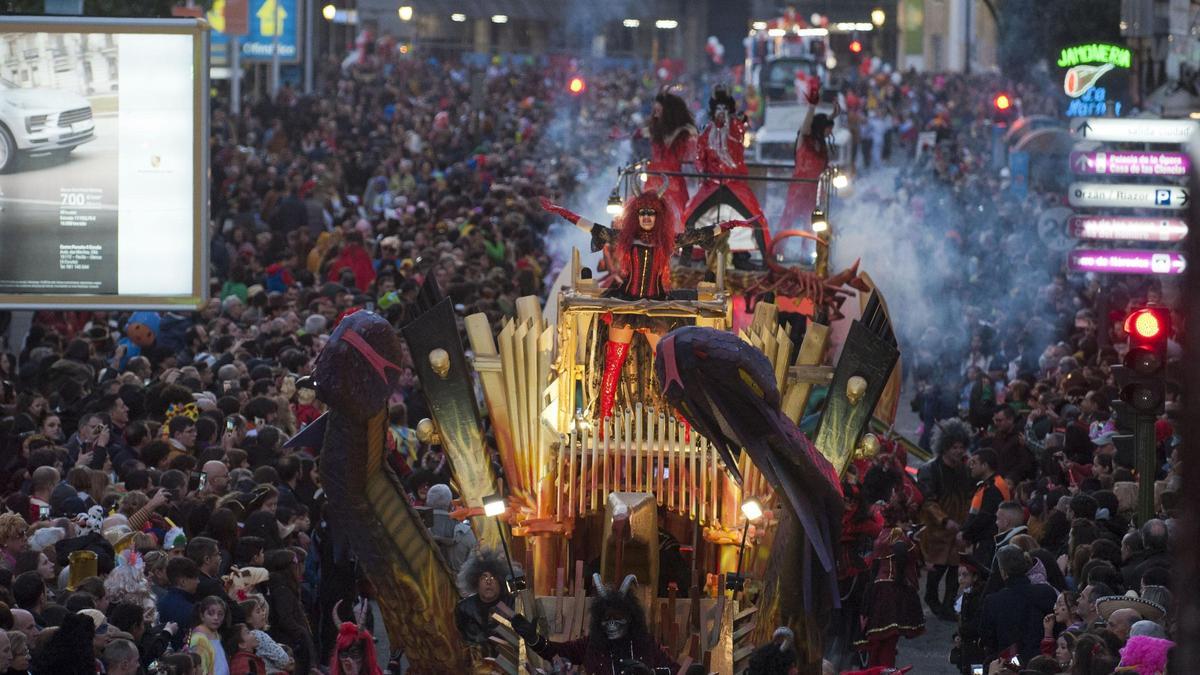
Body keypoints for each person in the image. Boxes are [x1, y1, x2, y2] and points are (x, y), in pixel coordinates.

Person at [540, 191, 753, 425]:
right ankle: (604, 420)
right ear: (636, 216)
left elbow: (701, 234)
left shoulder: (668, 240)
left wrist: (730, 224)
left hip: (655, 309)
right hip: (627, 306)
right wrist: (563, 213)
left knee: (669, 366)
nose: (647, 217)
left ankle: (684, 421)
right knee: (614, 364)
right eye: (642, 213)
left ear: (658, 216)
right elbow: (593, 228)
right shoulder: (626, 238)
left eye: (651, 213)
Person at [512, 574, 698, 675]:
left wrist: (650, 673)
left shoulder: (646, 644)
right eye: (606, 619)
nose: (611, 624)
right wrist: (534, 640)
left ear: (631, 619)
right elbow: (558, 653)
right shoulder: (591, 644)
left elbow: (674, 671)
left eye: (617, 618)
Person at [684, 86, 768, 268]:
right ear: (713, 112)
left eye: (724, 110)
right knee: (690, 215)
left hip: (735, 184)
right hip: (712, 185)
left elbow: (744, 122)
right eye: (718, 110)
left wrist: (740, 116)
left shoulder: (736, 129)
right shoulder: (706, 133)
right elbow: (699, 159)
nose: (721, 114)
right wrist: (703, 172)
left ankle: (758, 260)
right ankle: (687, 257)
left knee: (755, 219)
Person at [917, 418, 974, 620]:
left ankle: (948, 605)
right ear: (945, 447)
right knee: (936, 569)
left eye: (961, 447)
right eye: (954, 447)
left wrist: (965, 524)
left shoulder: (964, 470)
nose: (958, 451)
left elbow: (968, 497)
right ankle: (932, 599)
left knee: (954, 572)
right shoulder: (929, 470)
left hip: (957, 529)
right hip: (937, 531)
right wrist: (944, 521)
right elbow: (928, 501)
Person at [979, 546, 1056, 664]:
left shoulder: (993, 601)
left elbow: (988, 639)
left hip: (1009, 664)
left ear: (1003, 572)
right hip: (1041, 661)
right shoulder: (1046, 592)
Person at [779, 77, 831, 230]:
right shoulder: (803, 141)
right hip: (798, 191)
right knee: (788, 221)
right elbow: (805, 128)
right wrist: (812, 107)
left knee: (813, 227)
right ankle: (777, 251)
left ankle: (810, 252)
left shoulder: (821, 148)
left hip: (814, 194)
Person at [640, 90, 697, 223]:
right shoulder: (655, 131)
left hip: (673, 182)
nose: (655, 114)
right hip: (653, 180)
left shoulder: (686, 132)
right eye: (655, 110)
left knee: (675, 219)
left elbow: (692, 158)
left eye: (659, 110)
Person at [453, 550, 516, 651]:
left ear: (501, 581)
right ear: (475, 582)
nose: (489, 581)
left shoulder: (512, 604)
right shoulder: (464, 608)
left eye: (493, 577)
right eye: (484, 577)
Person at [960, 449, 1010, 565]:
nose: (971, 466)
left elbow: (985, 517)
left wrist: (966, 534)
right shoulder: (987, 485)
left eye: (974, 463)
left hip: (987, 545)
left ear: (985, 465)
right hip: (984, 542)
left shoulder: (993, 487)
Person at [424, 483, 476, 572]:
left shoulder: (417, 530)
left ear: (427, 504)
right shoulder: (466, 533)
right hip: (458, 584)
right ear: (450, 505)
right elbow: (474, 567)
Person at [188, 595, 230, 675]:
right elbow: (201, 670)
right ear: (202, 616)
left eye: (220, 614)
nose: (216, 617)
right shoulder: (199, 639)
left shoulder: (216, 634)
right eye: (211, 613)